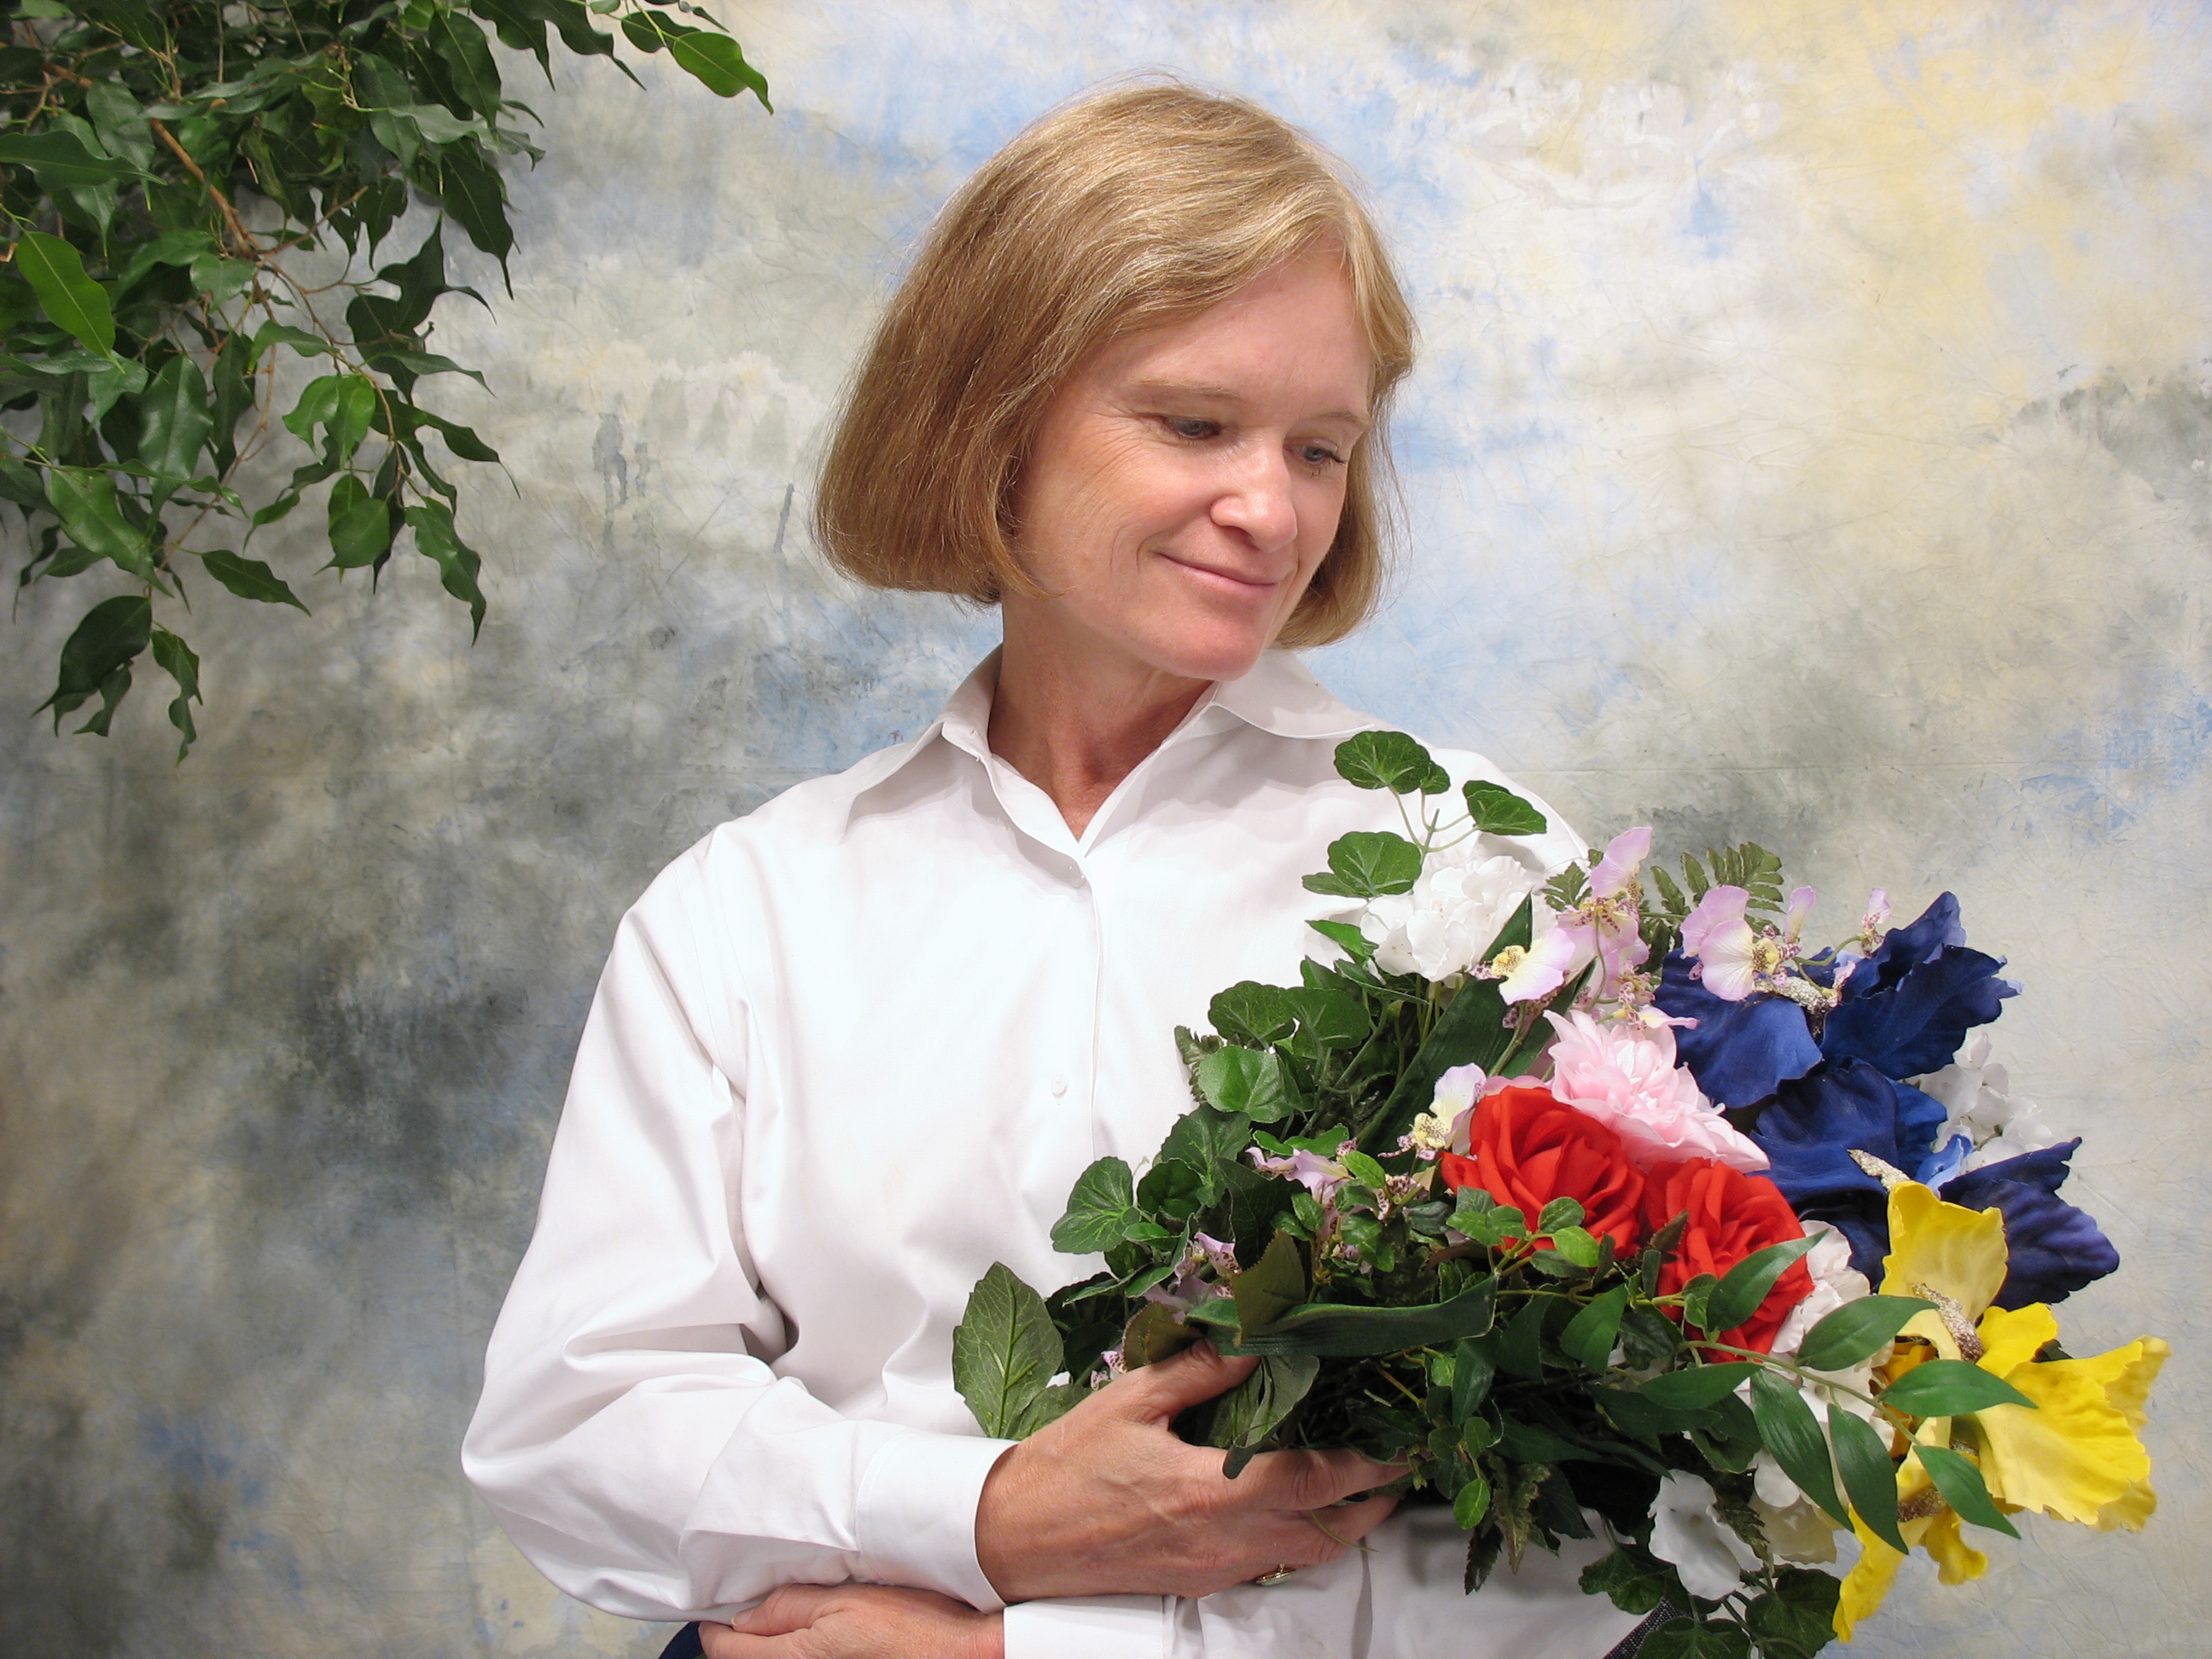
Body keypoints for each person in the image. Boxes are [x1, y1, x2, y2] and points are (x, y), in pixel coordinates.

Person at [464, 82, 1651, 1659]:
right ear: (991, 420)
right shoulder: (747, 912)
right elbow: (574, 1431)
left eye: (1321, 448)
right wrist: (980, 1516)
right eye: (1195, 424)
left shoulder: (1488, 881)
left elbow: (1603, 1518)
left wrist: (1027, 1649)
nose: (1272, 508)